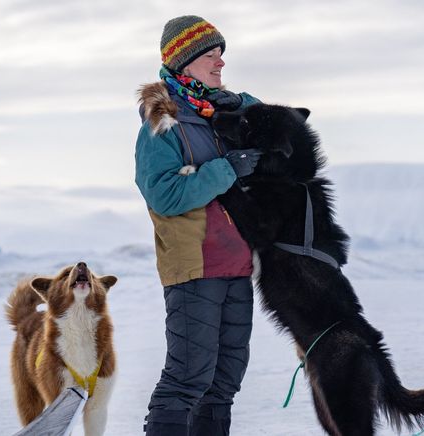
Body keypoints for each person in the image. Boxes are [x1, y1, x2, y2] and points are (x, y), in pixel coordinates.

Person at [134, 15, 263, 436]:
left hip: (238, 264)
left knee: (225, 381)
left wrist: (247, 108)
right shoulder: (163, 121)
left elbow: (281, 129)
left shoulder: (224, 110)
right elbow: (164, 196)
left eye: (222, 54)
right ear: (185, 63)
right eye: (210, 55)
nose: (221, 63)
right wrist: (226, 169)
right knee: (188, 377)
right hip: (195, 267)